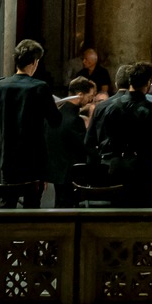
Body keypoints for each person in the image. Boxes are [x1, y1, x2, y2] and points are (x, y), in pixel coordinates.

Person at [0, 38, 58, 204]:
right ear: (34, 62)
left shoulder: (0, 87)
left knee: (8, 203)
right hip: (34, 159)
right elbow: (55, 120)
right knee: (32, 206)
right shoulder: (40, 87)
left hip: (8, 156)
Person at [87, 62, 152, 208]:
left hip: (116, 165)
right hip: (142, 167)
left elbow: (100, 138)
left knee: (117, 212)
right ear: (148, 84)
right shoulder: (151, 108)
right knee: (142, 213)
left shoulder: (112, 107)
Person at [44, 76, 96, 208]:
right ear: (80, 95)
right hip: (70, 173)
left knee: (60, 206)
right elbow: (83, 146)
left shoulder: (56, 113)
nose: (91, 100)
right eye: (90, 95)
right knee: (68, 209)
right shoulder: (74, 120)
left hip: (57, 170)